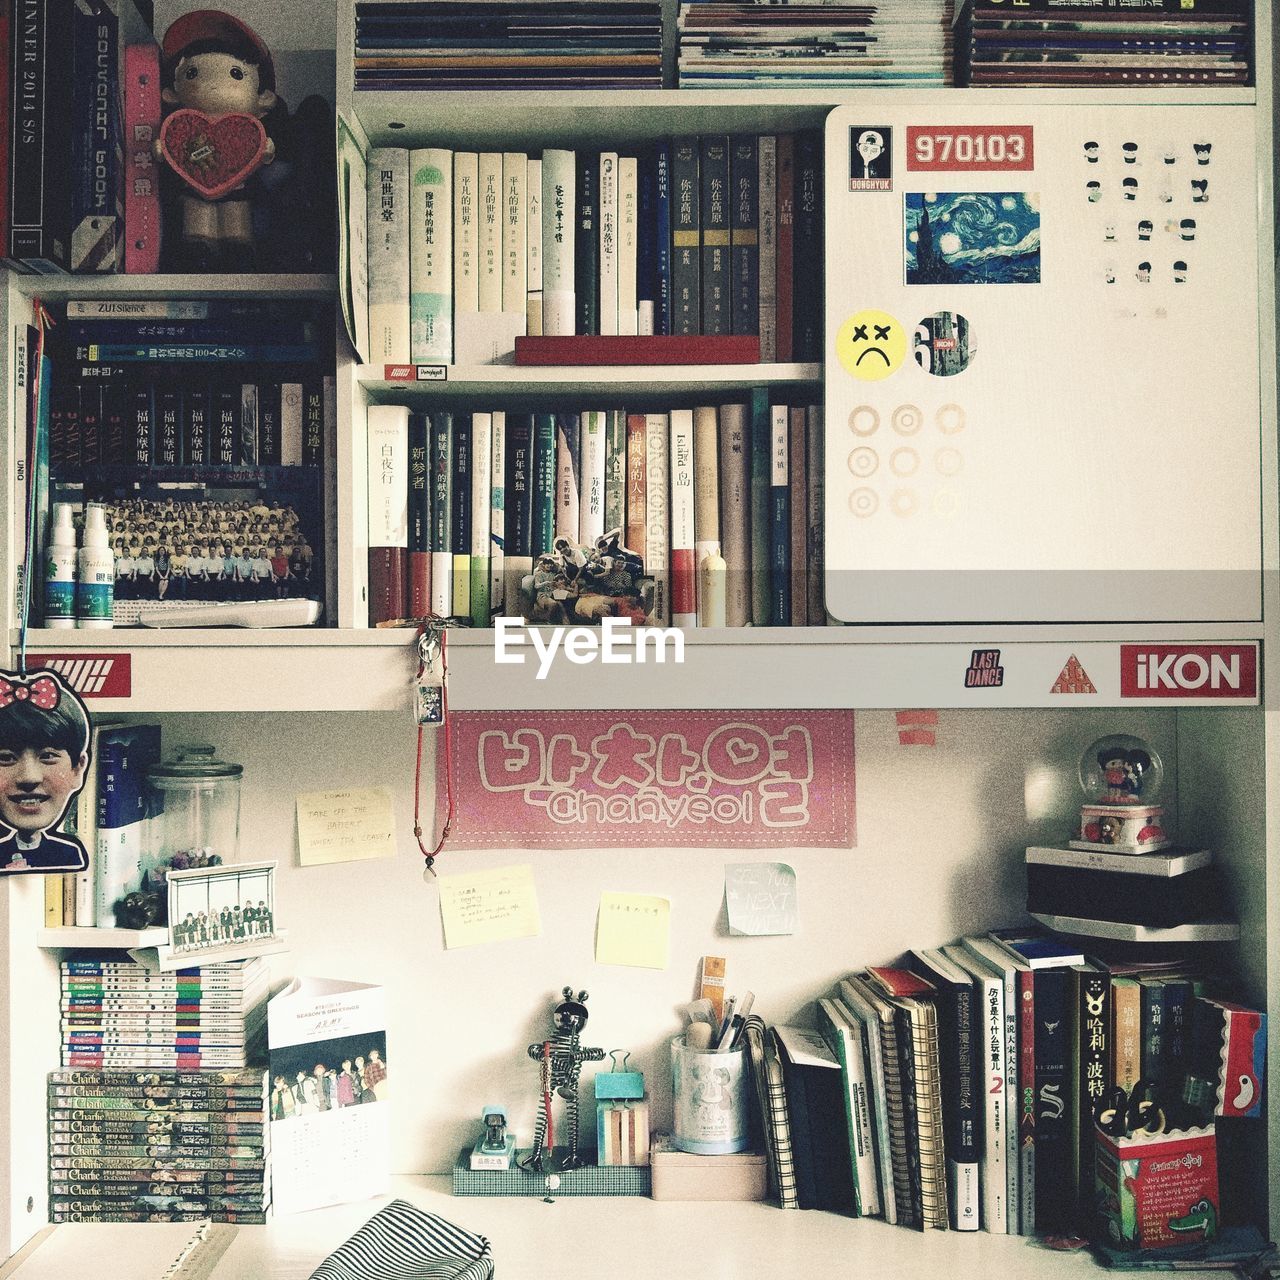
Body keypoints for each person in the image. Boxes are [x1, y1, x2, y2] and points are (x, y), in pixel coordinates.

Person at [156, 10, 281, 272]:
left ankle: (238, 248)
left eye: (236, 74)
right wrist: (162, 149)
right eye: (192, 74)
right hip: (192, 189)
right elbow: (169, 150)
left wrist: (266, 151)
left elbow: (264, 156)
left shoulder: (251, 131)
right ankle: (198, 248)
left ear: (263, 99)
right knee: (197, 217)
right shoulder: (181, 130)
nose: (213, 85)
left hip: (239, 191)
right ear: (170, 93)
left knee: (236, 219)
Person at [0, 671, 91, 872]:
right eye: (6, 758)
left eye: (48, 756)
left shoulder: (68, 854)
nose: (29, 777)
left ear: (78, 768)